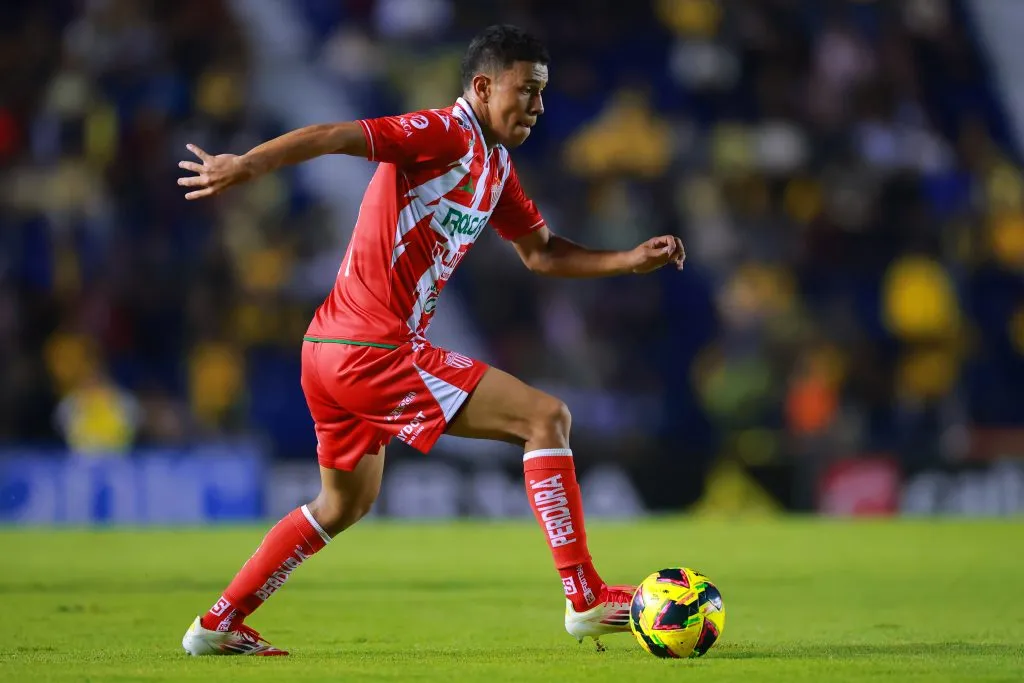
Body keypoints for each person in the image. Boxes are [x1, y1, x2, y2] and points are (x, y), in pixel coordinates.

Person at [178, 24, 685, 656]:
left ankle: (218, 624)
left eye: (541, 93)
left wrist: (626, 258)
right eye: (525, 90)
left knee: (343, 504)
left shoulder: (495, 167)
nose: (537, 105)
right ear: (481, 86)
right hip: (374, 348)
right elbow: (337, 134)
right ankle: (583, 595)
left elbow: (542, 252)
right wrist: (246, 164)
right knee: (545, 418)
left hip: (330, 350)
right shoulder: (444, 133)